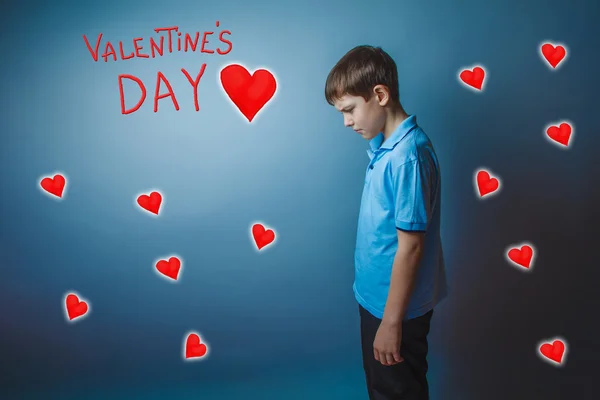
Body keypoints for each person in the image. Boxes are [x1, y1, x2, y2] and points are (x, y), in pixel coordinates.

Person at [324, 45, 448, 400]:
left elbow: (410, 248)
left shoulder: (408, 157)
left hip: (397, 311)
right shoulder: (387, 146)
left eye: (349, 110)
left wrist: (392, 322)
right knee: (381, 387)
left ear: (380, 95)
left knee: (397, 392)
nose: (346, 122)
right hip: (375, 299)